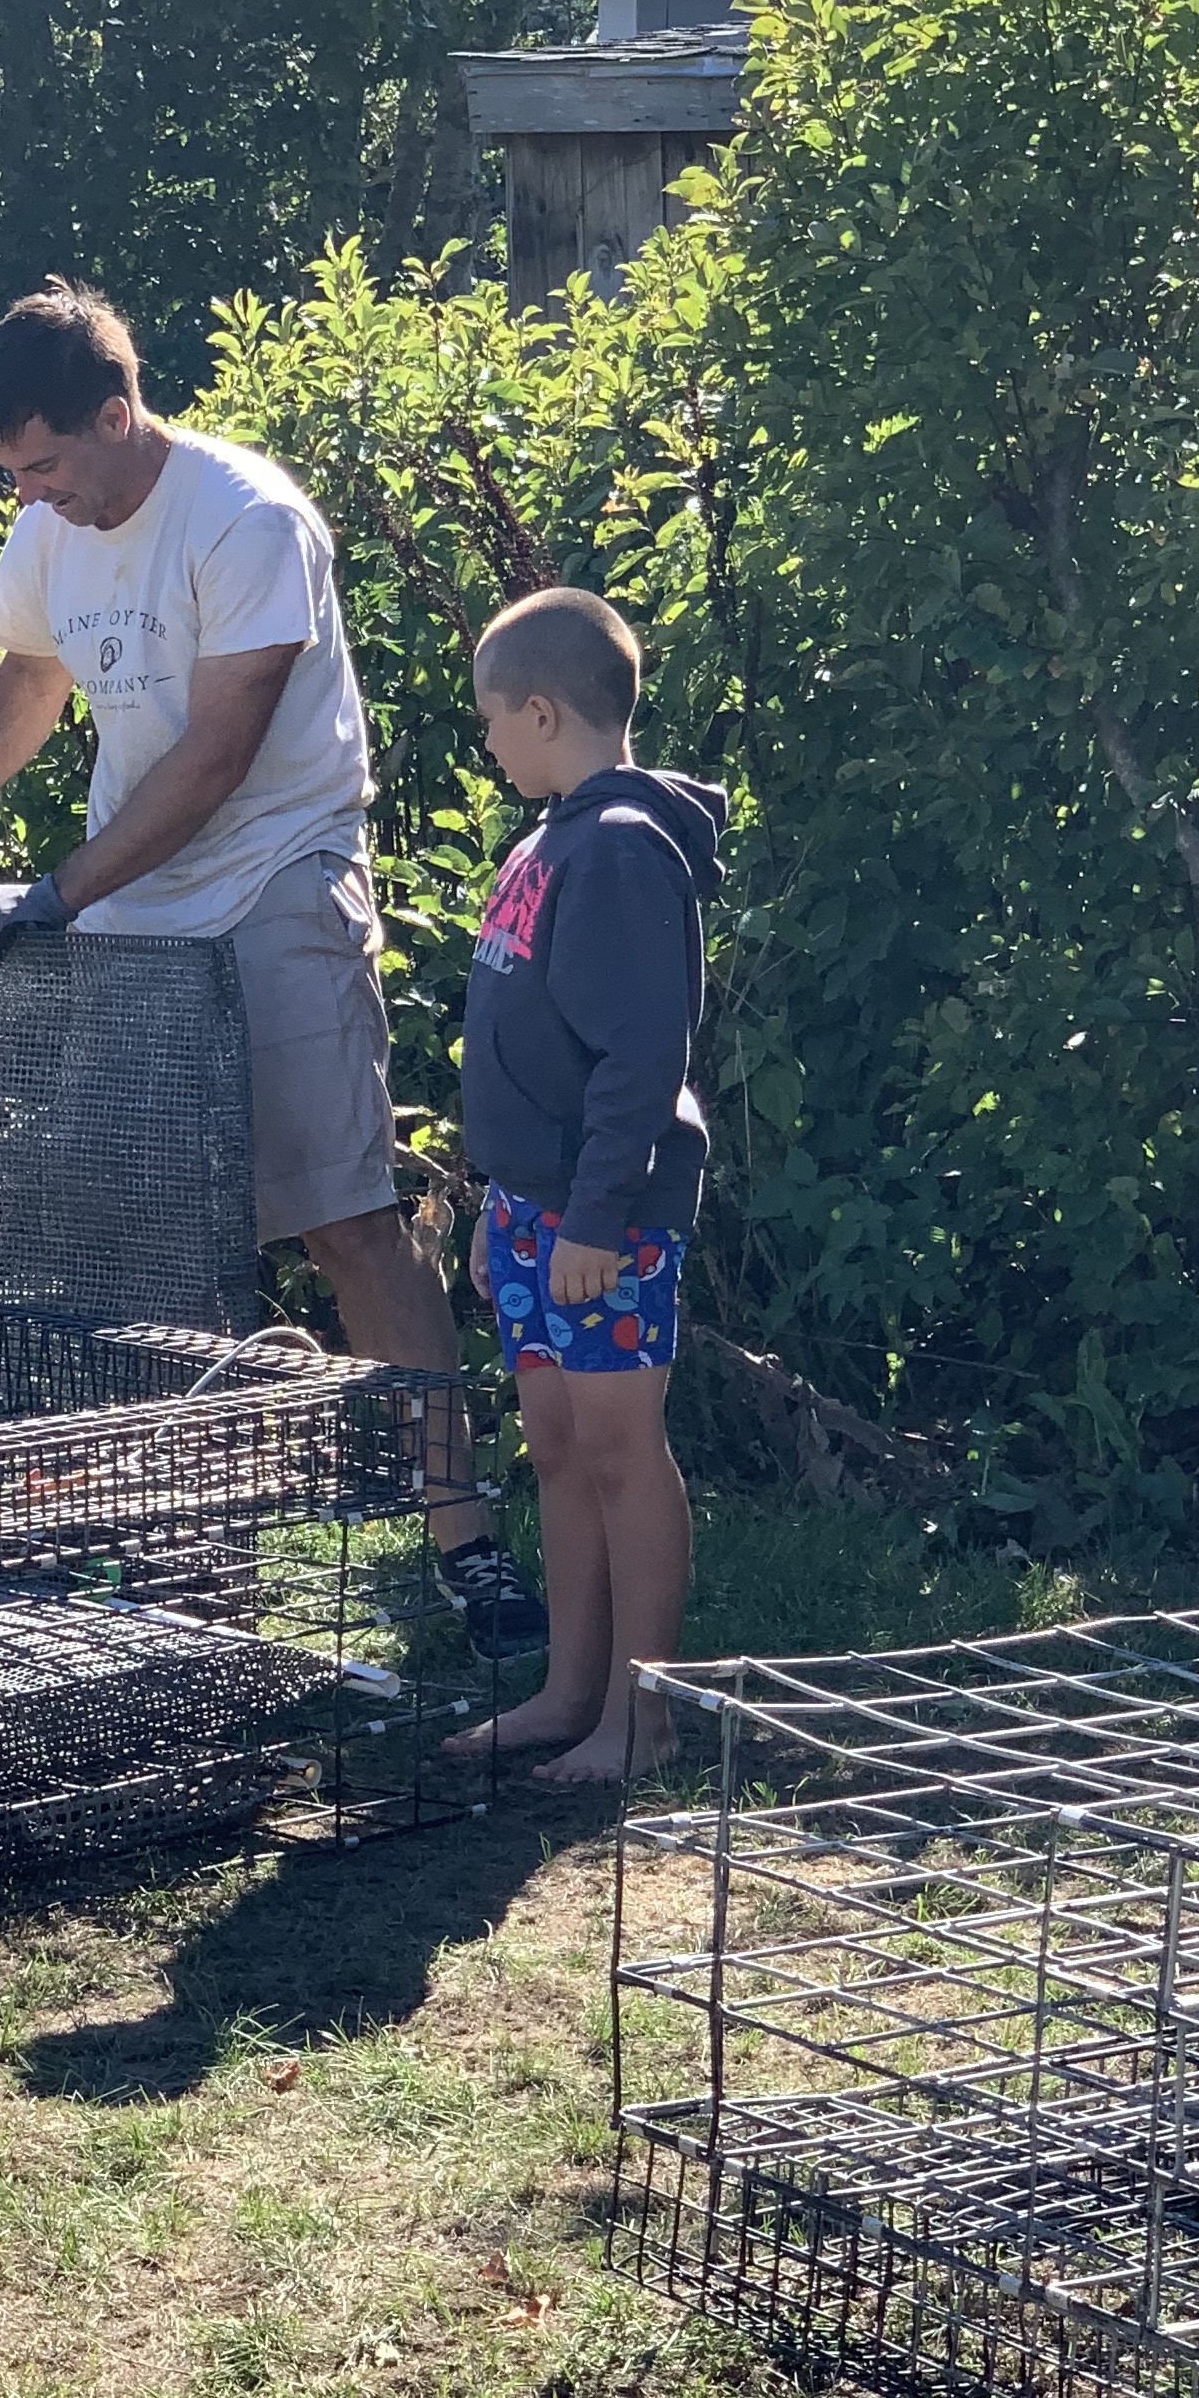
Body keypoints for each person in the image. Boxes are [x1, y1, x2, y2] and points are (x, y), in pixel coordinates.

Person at [0, 280, 544, 1657]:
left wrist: (58, 894)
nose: (36, 497)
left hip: (274, 880)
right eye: (15, 475)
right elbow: (27, 678)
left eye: (48, 465)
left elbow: (219, 754)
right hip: (129, 911)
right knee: (137, 1249)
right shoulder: (49, 529)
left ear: (117, 415)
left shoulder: (249, 521)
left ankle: (466, 1544)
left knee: (347, 1220)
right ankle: (185, 1576)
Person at [447, 585, 724, 1785]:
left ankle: (641, 1717)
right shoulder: (550, 836)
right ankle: (569, 1693)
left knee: (620, 1449)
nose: (489, 741)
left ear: (545, 711)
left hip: (600, 1220)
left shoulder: (617, 851)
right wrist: (494, 1204)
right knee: (556, 1445)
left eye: (493, 720)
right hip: (529, 1211)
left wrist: (594, 1218)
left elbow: (639, 1055)